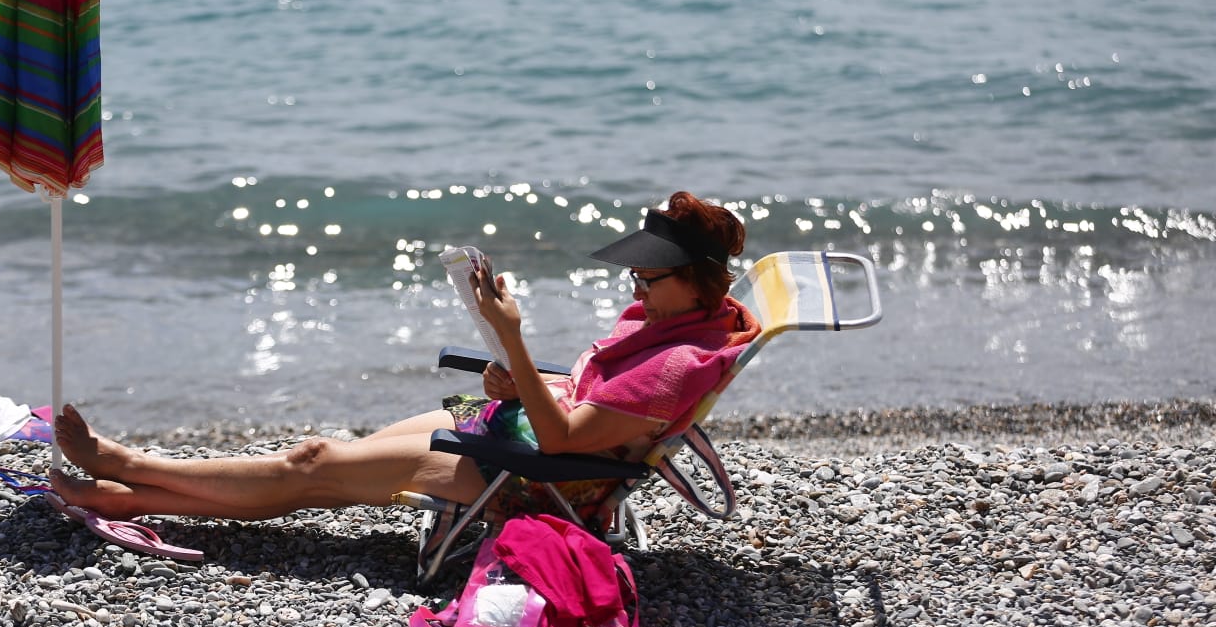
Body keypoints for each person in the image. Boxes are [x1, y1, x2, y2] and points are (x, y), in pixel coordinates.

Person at [47, 190, 762, 522]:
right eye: (634, 274)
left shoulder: (678, 361)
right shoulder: (685, 321)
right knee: (321, 467)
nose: (634, 286)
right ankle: (126, 495)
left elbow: (565, 439)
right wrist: (516, 379)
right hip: (510, 425)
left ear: (696, 278)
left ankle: (126, 467)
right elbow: (585, 400)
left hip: (533, 474)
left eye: (648, 276)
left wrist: (511, 337)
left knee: (315, 465)